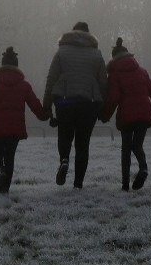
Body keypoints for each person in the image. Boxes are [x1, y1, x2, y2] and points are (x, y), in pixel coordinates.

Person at [101, 38, 151, 191]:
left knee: (126, 149)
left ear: (114, 58)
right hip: (144, 115)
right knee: (137, 145)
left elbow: (114, 97)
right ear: (129, 55)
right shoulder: (142, 72)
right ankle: (143, 168)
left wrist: (105, 115)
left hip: (126, 117)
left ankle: (125, 185)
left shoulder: (114, 74)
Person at [42, 21, 107, 189]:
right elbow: (103, 83)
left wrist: (47, 104)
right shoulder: (96, 54)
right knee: (83, 143)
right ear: (89, 34)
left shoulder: (61, 52)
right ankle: (78, 184)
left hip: (65, 101)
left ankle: (64, 159)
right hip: (89, 103)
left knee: (64, 135)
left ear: (72, 32)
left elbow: (51, 79)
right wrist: (103, 107)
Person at [0, 46, 50, 194]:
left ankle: (0, 172)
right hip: (15, 129)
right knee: (9, 157)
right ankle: (5, 188)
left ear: (2, 65)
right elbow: (34, 105)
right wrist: (44, 115)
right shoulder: (24, 86)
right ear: (17, 66)